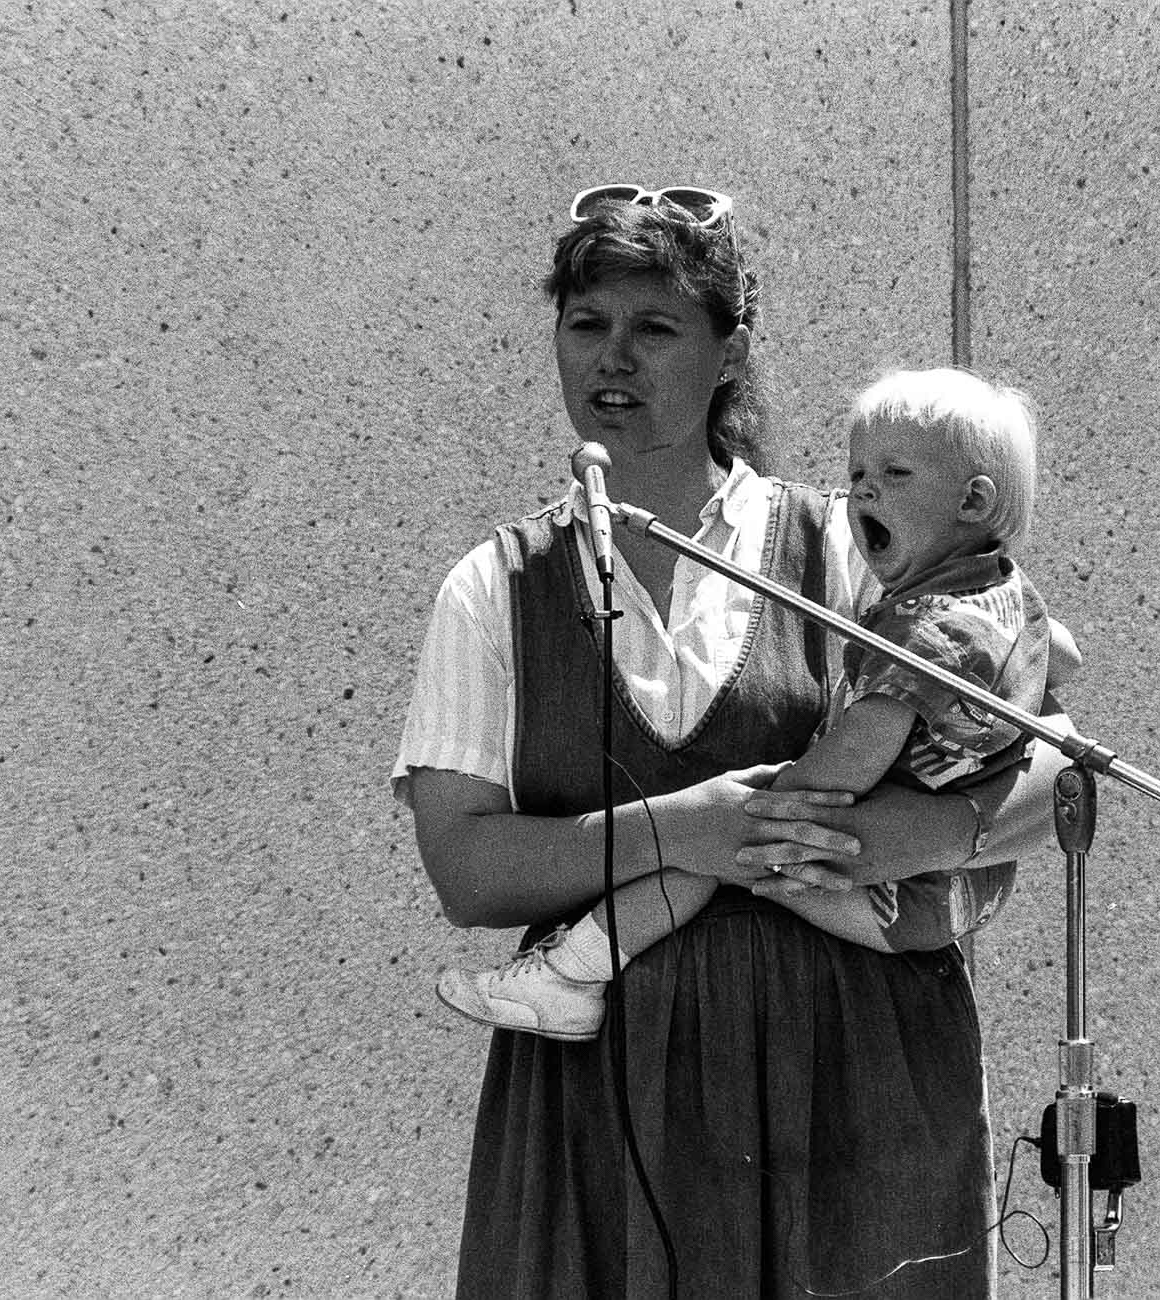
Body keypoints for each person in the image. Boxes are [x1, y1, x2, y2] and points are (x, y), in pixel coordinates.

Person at [390, 183, 1077, 1299]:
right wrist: (686, 830)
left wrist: (916, 836)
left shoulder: (858, 549)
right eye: (586, 324)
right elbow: (465, 870)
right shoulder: (494, 589)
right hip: (600, 1107)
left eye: (656, 327)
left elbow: (1056, 769)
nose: (614, 358)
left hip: (851, 1091)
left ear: (728, 353)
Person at [435, 366, 1074, 1038]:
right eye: (857, 472)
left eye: (894, 475)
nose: (862, 491)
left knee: (703, 849)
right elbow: (1062, 659)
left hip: (894, 900)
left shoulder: (928, 630)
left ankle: (572, 973)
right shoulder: (1007, 599)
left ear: (971, 503)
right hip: (953, 894)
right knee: (697, 837)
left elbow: (868, 753)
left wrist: (768, 811)